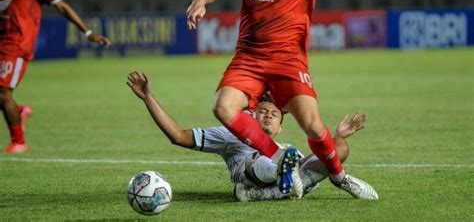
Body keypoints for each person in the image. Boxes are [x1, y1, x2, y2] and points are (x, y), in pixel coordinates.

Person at [185, 0, 372, 197]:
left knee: (312, 126)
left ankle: (339, 176)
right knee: (222, 107)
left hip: (288, 59)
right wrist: (200, 0)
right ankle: (276, 157)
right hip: (249, 56)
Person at [126, 71, 378, 201]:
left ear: (280, 127)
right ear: (251, 116)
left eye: (274, 115)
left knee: (337, 149)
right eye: (263, 112)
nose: (268, 116)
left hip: (282, 175)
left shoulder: (285, 146)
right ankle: (283, 178)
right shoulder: (230, 134)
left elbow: (332, 148)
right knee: (262, 159)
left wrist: (338, 136)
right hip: (250, 176)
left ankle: (283, 185)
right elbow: (179, 136)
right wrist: (148, 97)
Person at [0, 0, 111, 153]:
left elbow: (62, 6)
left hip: (18, 45)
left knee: (3, 93)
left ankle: (19, 142)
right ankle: (20, 112)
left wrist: (88, 32)